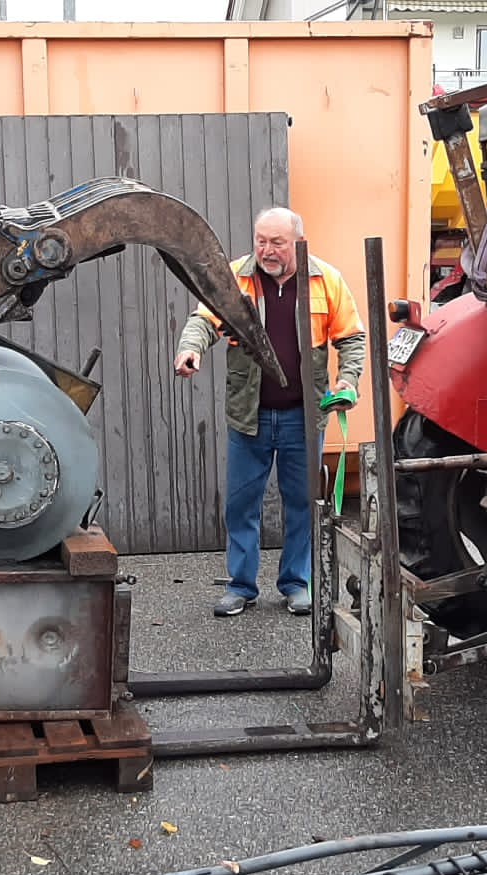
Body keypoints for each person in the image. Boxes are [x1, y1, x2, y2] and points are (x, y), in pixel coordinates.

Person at [173, 207, 366, 616]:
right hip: (250, 416)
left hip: (303, 418)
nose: (266, 250)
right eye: (261, 241)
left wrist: (347, 380)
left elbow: (352, 337)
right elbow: (203, 320)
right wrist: (190, 349)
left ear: (298, 242)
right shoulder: (234, 277)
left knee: (302, 504)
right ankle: (241, 586)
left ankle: (296, 583)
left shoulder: (326, 280)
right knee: (241, 505)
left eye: (277, 242)